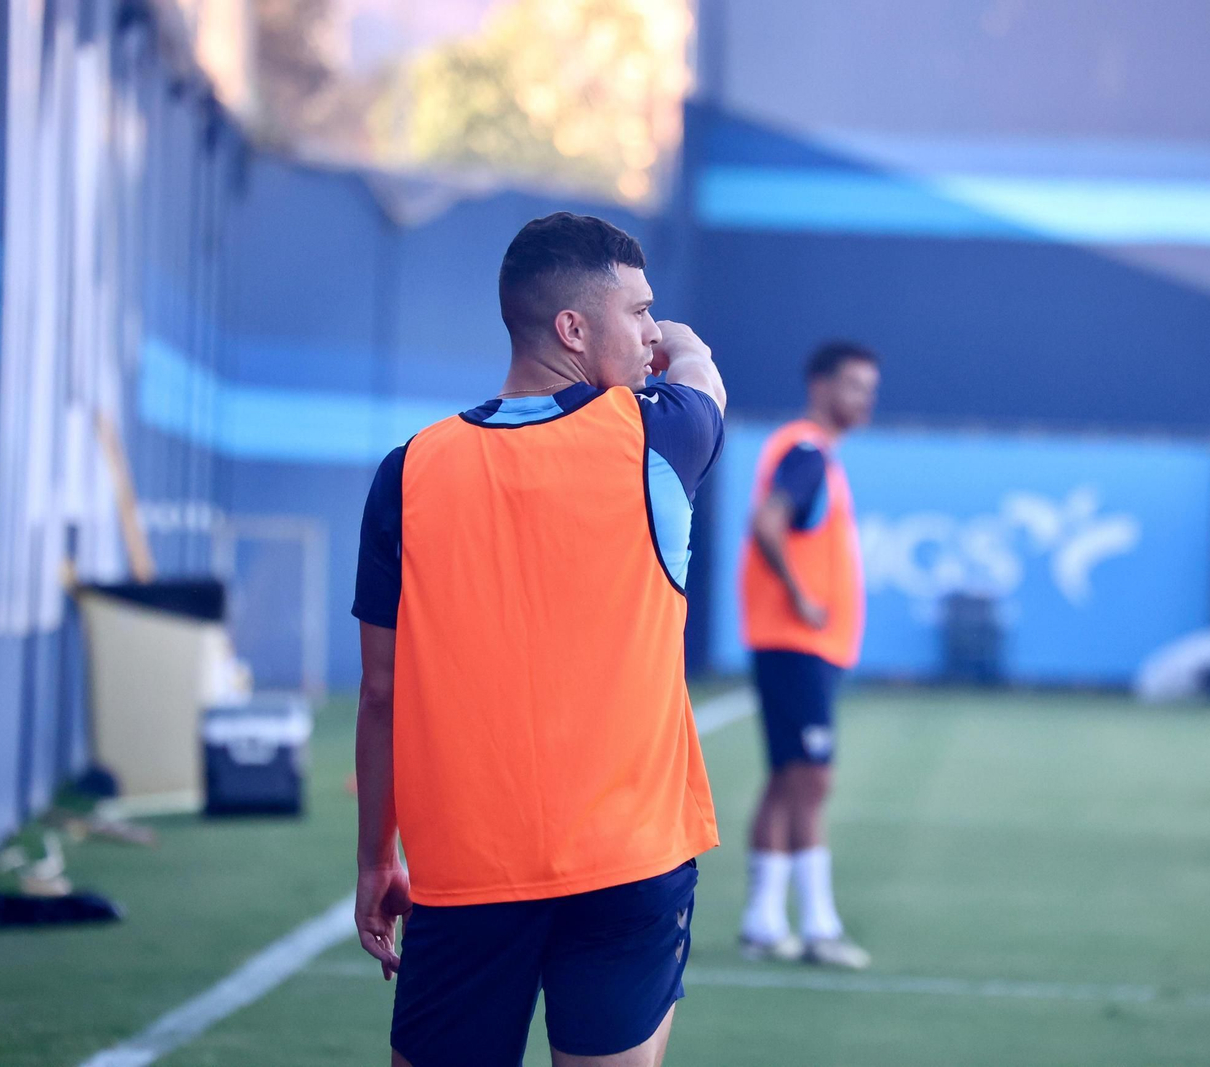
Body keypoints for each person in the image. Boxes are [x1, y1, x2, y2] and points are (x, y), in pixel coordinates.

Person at [350, 212, 728, 1067]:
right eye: (636, 311)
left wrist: (377, 859)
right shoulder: (658, 434)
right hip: (630, 858)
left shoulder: (408, 470)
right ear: (572, 328)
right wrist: (678, 339)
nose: (648, 334)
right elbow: (704, 376)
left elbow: (381, 693)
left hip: (466, 865)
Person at [737, 342, 880, 969]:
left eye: (869, 387)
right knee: (812, 781)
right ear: (818, 384)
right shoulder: (805, 450)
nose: (862, 399)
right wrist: (801, 596)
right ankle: (818, 926)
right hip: (797, 642)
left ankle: (764, 922)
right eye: (851, 384)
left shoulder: (811, 453)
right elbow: (768, 524)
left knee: (786, 780)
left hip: (798, 645)